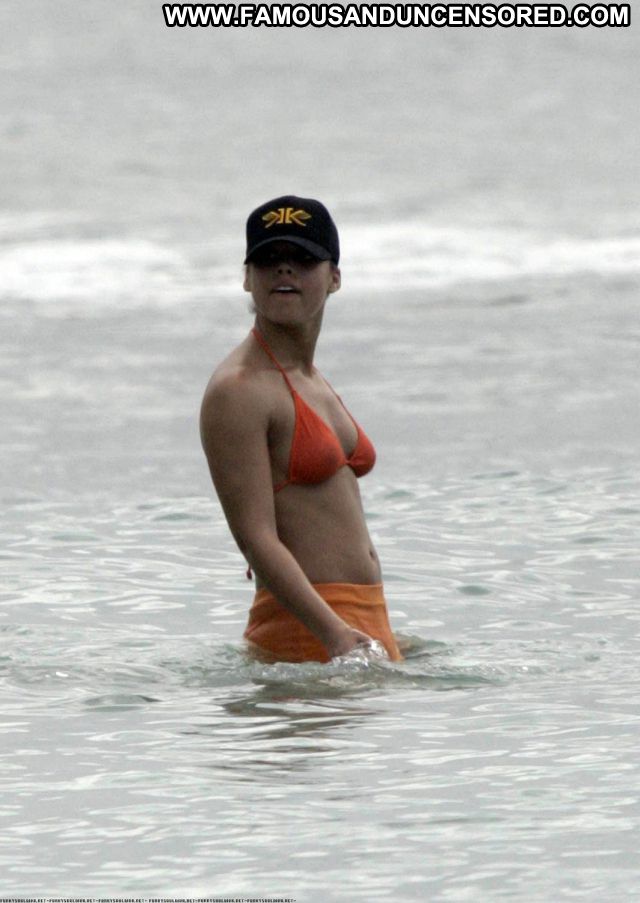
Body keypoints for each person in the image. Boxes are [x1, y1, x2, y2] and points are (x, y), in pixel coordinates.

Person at [200, 195, 401, 663]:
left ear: (334, 278)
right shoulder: (239, 389)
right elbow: (255, 538)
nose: (284, 269)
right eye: (268, 259)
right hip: (308, 633)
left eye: (303, 258)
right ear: (247, 277)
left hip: (358, 624)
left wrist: (375, 632)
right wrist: (334, 634)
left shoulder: (309, 378)